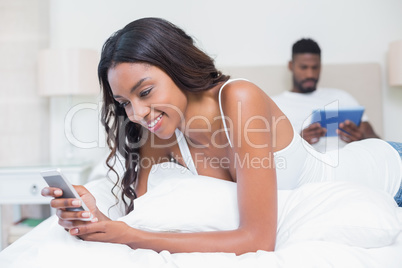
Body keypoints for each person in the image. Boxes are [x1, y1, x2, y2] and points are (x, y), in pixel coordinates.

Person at [41, 18, 402, 255]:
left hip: (387, 171)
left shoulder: (239, 99)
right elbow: (147, 216)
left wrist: (129, 236)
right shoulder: (159, 129)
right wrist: (95, 214)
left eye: (146, 92)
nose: (136, 113)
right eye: (124, 103)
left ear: (177, 67)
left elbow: (258, 239)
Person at [272, 38, 380, 151]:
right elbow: (264, 153)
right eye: (304, 67)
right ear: (291, 66)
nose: (310, 74)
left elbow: (378, 141)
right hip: (306, 165)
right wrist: (298, 142)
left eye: (315, 67)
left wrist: (362, 140)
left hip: (347, 162)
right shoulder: (275, 104)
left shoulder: (341, 97)